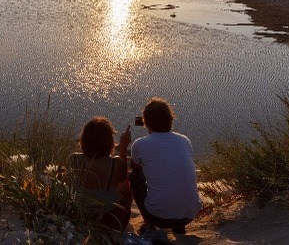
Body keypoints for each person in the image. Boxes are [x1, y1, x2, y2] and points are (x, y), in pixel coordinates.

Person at [129, 97, 202, 235]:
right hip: (189, 216)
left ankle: (149, 225)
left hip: (159, 218)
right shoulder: (184, 140)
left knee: (134, 177)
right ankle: (179, 227)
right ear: (170, 120)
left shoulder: (139, 144)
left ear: (146, 122)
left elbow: (137, 168)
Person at [69, 117, 133, 232]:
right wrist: (123, 147)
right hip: (111, 220)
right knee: (126, 189)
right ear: (109, 141)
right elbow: (123, 179)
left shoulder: (74, 159)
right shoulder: (116, 163)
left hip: (80, 216)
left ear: (84, 139)